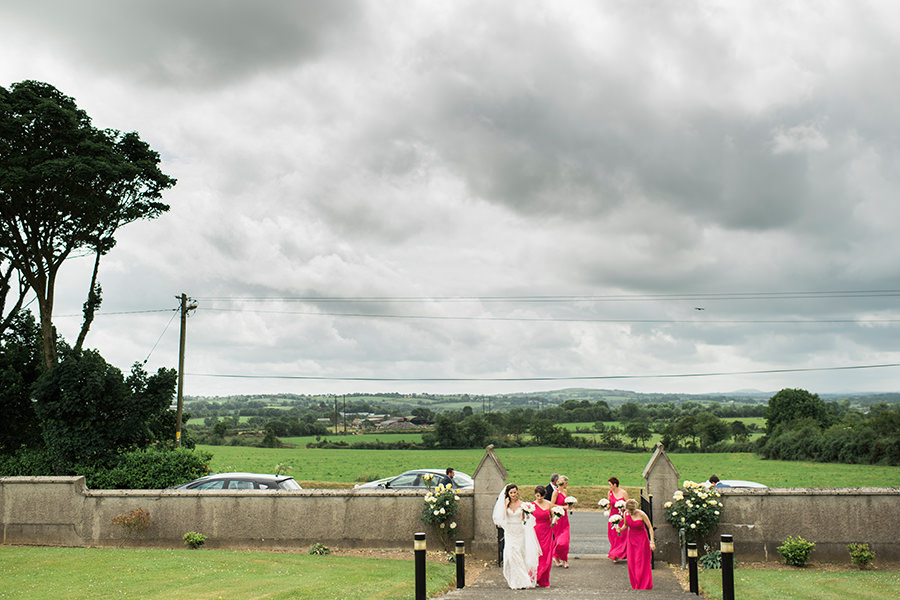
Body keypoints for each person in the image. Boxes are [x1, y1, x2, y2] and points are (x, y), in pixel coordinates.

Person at [492, 483, 541, 589]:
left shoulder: (522, 504)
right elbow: (502, 518)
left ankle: (523, 580)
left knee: (519, 554)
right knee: (510, 556)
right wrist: (505, 506)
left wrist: (528, 514)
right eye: (511, 493)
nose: (513, 494)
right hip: (509, 531)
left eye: (514, 492)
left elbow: (524, 519)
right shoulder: (505, 504)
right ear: (508, 494)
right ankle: (514, 580)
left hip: (519, 531)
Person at [617, 498, 655, 589]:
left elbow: (650, 527)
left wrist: (652, 541)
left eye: (632, 511)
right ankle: (636, 583)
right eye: (628, 511)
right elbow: (625, 526)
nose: (630, 513)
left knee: (640, 561)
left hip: (642, 539)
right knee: (632, 562)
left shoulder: (641, 514)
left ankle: (644, 583)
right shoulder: (626, 514)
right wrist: (619, 529)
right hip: (631, 539)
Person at [532, 486, 554, 587]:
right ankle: (535, 577)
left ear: (544, 495)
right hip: (536, 531)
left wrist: (556, 518)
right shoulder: (532, 505)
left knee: (547, 555)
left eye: (541, 496)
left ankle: (544, 580)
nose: (539, 498)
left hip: (547, 531)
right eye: (537, 496)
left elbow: (553, 517)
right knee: (536, 555)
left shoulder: (549, 504)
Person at [550, 475, 571, 568]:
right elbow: (552, 505)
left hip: (565, 518)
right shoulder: (556, 492)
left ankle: (565, 559)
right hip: (558, 518)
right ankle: (556, 556)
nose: (567, 485)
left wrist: (570, 506)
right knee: (559, 541)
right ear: (564, 483)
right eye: (567, 483)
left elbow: (566, 503)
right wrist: (563, 507)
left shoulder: (565, 491)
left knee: (565, 541)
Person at [607, 477, 628, 562]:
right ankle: (614, 553)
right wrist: (605, 506)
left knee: (621, 536)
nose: (609, 487)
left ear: (615, 485)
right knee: (613, 536)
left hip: (621, 516)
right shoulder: (610, 493)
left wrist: (623, 508)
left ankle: (619, 553)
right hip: (612, 516)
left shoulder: (623, 493)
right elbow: (609, 504)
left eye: (610, 485)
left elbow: (628, 505)